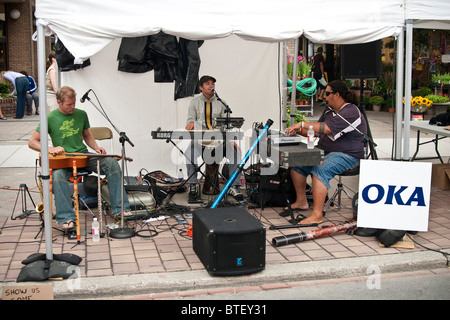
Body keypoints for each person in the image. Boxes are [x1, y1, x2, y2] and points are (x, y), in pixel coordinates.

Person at [28, 86, 131, 229]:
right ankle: (66, 218)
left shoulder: (81, 114)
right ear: (59, 102)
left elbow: (87, 135)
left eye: (74, 103)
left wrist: (96, 148)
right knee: (57, 176)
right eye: (69, 104)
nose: (72, 107)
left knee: (111, 162)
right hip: (64, 160)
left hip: (84, 157)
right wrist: (51, 149)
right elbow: (32, 142)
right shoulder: (50, 118)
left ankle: (121, 209)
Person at [285, 80, 367, 225]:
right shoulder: (329, 111)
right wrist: (297, 130)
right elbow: (315, 131)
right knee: (296, 162)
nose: (325, 97)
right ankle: (301, 201)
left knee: (321, 168)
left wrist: (302, 123)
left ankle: (317, 215)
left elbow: (327, 129)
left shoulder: (350, 111)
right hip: (326, 151)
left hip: (348, 155)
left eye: (328, 93)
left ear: (337, 95)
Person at [185, 75, 243, 203]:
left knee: (236, 152)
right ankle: (193, 185)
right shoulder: (194, 103)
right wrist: (191, 124)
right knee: (190, 152)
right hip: (200, 141)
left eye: (213, 83)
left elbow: (227, 126)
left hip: (219, 142)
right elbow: (190, 121)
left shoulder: (222, 103)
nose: (211, 86)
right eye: (207, 84)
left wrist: (231, 140)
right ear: (201, 87)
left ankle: (234, 186)